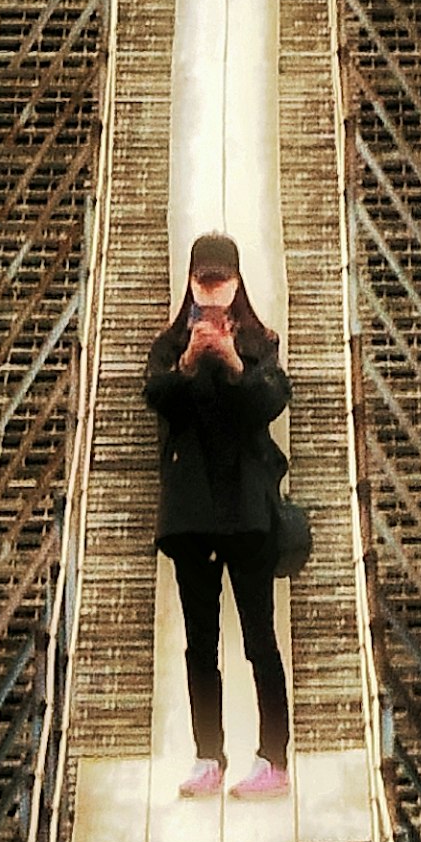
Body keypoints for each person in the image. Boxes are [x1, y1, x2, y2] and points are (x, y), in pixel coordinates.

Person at [143, 227, 292, 799]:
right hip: (191, 512)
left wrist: (233, 363)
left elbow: (270, 403)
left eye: (220, 282)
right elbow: (155, 398)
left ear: (236, 283)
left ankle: (272, 758)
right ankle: (209, 755)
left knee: (261, 638)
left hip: (246, 510)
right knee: (199, 643)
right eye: (202, 282)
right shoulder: (167, 346)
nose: (210, 294)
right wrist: (187, 364)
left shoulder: (261, 341)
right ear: (189, 281)